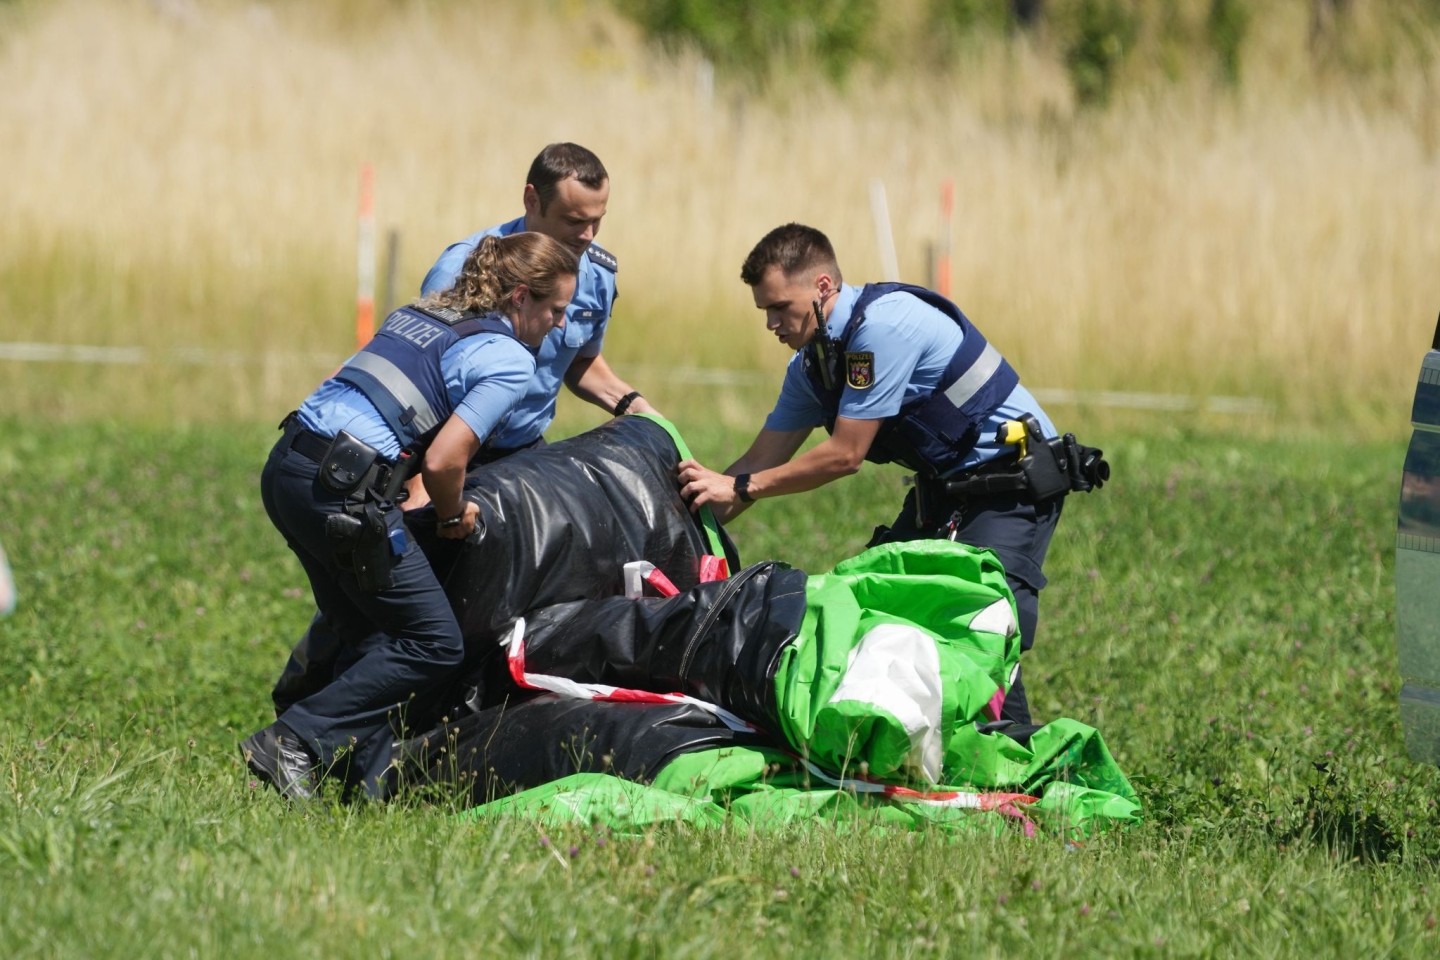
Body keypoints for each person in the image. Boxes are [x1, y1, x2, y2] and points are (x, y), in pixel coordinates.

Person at [269, 142, 656, 719]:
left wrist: (641, 415)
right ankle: (314, 707)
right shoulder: (466, 265)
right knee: (387, 591)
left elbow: (580, 364)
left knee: (518, 592)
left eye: (599, 220)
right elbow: (420, 371)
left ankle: (470, 723)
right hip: (442, 452)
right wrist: (430, 493)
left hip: (522, 454)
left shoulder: (593, 275)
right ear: (532, 200)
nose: (589, 235)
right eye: (574, 221)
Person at [678, 223, 1101, 743]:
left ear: (823, 288)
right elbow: (757, 462)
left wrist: (741, 489)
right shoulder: (814, 366)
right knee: (879, 604)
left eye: (780, 307)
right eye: (763, 310)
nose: (770, 323)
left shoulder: (883, 328)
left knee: (975, 619)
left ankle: (1011, 763)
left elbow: (844, 455)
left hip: (1013, 482)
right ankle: (966, 749)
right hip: (949, 489)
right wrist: (686, 528)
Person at [241, 232, 579, 800]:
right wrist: (454, 517)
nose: (561, 326)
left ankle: (366, 789)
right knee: (433, 642)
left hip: (289, 468)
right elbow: (447, 460)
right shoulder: (509, 360)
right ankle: (293, 739)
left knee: (370, 631)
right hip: (343, 491)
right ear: (521, 297)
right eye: (555, 310)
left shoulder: (425, 311)